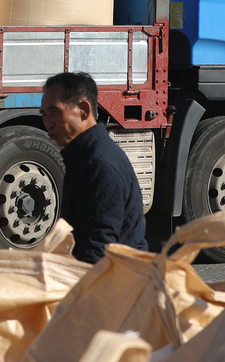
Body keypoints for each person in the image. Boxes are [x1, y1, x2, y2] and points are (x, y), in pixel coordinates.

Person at [40, 71, 147, 264]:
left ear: (83, 110)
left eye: (54, 112)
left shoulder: (100, 165)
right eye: (44, 115)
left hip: (117, 283)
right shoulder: (83, 156)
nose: (48, 122)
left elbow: (98, 248)